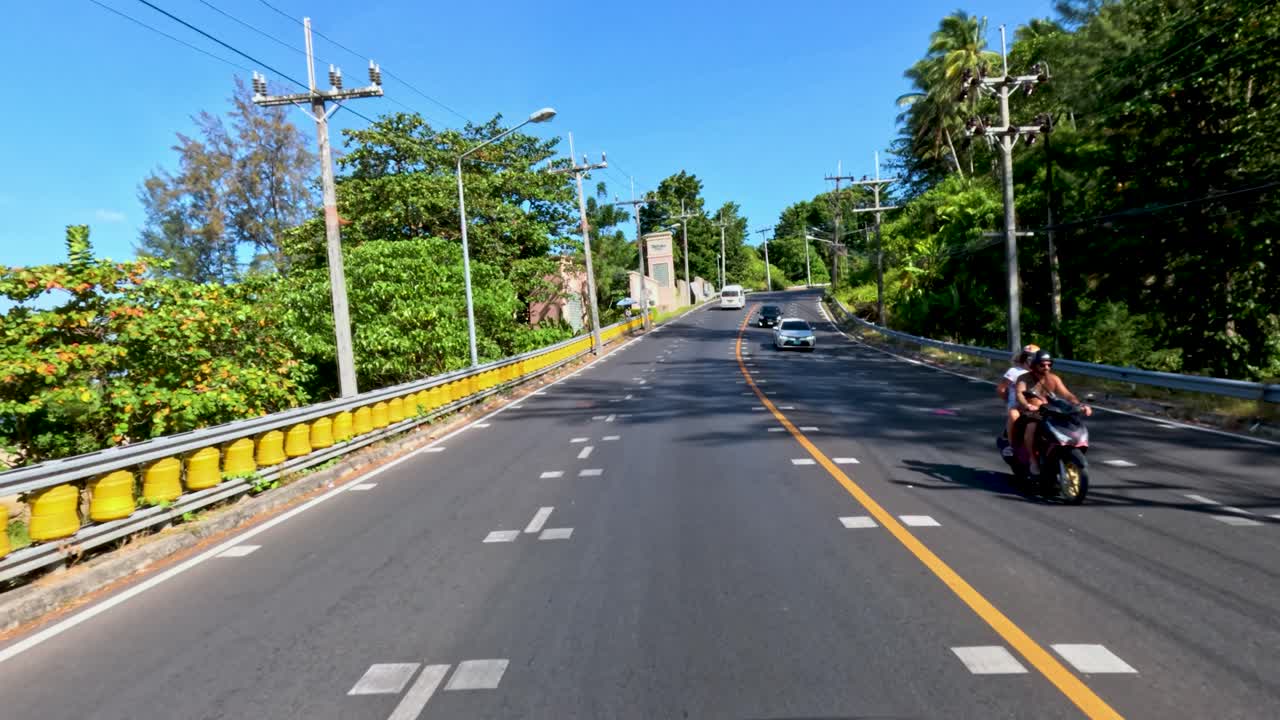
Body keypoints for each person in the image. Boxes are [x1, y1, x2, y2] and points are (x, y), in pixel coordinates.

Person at [1015, 350, 1092, 475]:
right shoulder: (1024, 378)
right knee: (1032, 426)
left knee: (1069, 422)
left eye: (1049, 364)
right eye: (1042, 365)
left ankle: (1058, 451)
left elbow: (1067, 394)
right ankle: (1033, 461)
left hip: (1051, 411)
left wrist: (1080, 405)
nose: (1046, 367)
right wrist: (1027, 405)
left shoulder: (1053, 379)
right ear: (1034, 365)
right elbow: (1020, 394)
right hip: (1031, 412)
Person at [997, 344, 1039, 456]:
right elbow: (1001, 389)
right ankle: (1012, 446)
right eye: (1029, 356)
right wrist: (1010, 401)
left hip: (1036, 405)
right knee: (1014, 416)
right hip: (1017, 405)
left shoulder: (1040, 372)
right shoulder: (1014, 371)